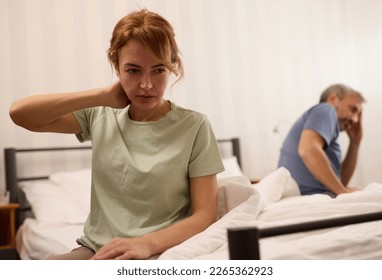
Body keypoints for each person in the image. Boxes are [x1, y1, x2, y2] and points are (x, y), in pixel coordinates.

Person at [9, 9, 224, 260]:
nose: (146, 84)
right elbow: (20, 113)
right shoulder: (99, 115)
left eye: (158, 70)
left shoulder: (194, 126)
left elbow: (204, 215)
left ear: (171, 67)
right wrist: (101, 96)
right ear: (116, 67)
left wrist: (145, 244)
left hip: (166, 250)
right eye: (133, 70)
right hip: (96, 250)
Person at [277, 84, 365, 197]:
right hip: (308, 196)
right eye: (353, 109)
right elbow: (307, 150)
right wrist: (343, 191)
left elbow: (339, 183)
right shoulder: (326, 109)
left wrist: (355, 142)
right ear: (333, 99)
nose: (355, 119)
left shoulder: (329, 141)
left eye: (358, 115)